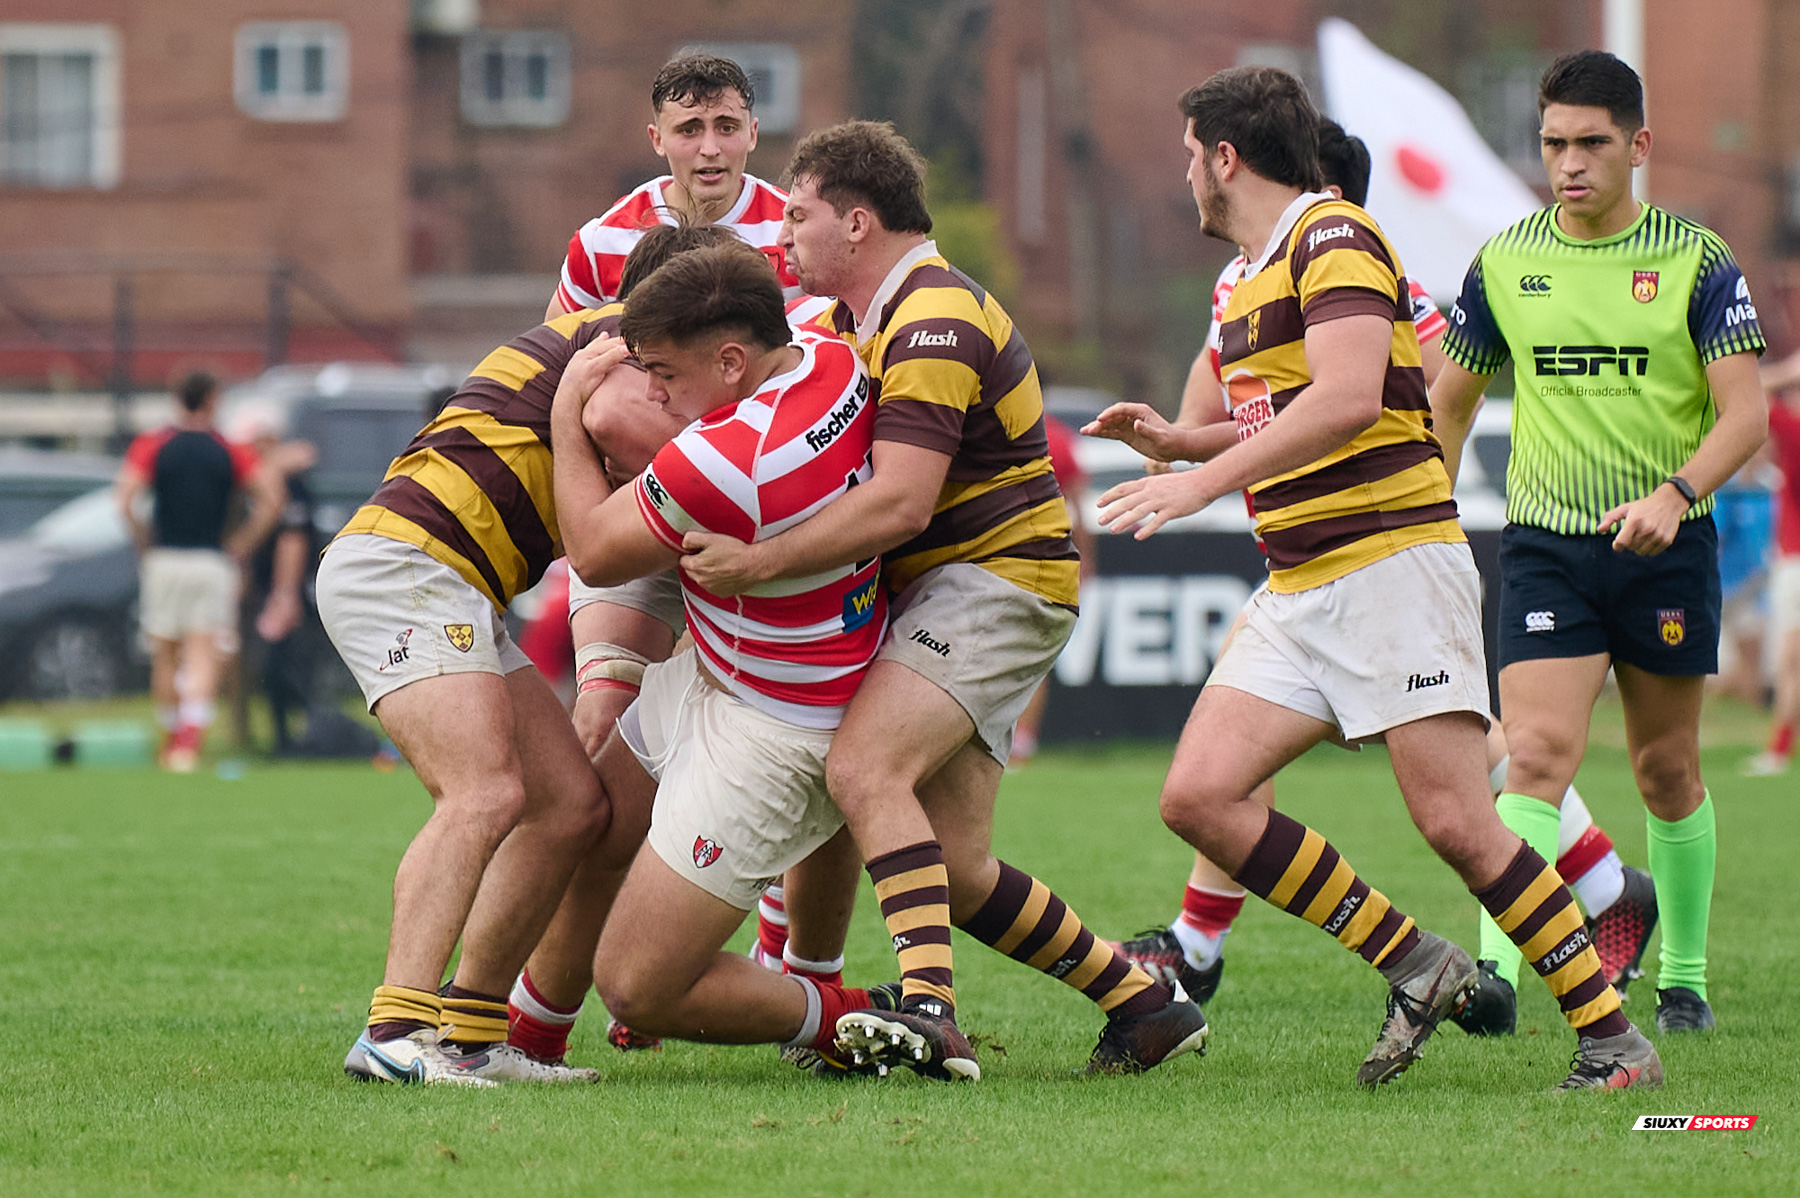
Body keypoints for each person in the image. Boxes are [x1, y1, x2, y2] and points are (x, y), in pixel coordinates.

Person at [1088, 66, 1656, 1089]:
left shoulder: (1332, 236)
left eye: (1188, 157)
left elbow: (1351, 398)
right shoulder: (1259, 267)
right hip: (1302, 581)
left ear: (1226, 157)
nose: (1186, 179)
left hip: (1392, 561)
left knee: (1454, 821)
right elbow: (1286, 410)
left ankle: (1612, 1034)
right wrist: (1183, 438)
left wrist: (1200, 481)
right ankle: (1416, 958)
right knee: (1201, 795)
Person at [681, 120, 1206, 1079]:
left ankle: (929, 1012)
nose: (784, 237)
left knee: (863, 770)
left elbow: (900, 501)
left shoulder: (933, 318)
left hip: (993, 582)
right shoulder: (857, 321)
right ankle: (1144, 1002)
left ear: (857, 221)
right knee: (956, 872)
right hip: (961, 591)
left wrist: (757, 562)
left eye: (797, 218)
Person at [321, 228, 717, 1087]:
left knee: (571, 804)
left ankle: (468, 1034)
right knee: (486, 791)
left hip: (449, 580)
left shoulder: (611, 343)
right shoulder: (619, 342)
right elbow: (613, 420)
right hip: (406, 566)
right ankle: (392, 1033)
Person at [1431, 50, 1767, 1036]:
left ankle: (1686, 980)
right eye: (1553, 144)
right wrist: (1425, 528)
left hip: (1668, 548)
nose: (1569, 163)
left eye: (1590, 144)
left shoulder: (1698, 260)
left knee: (1667, 768)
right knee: (1532, 752)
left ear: (1638, 145)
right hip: (1545, 546)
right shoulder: (1504, 261)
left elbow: (1742, 415)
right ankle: (1499, 972)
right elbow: (1447, 407)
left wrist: (1677, 492)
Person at [543, 241, 902, 1061]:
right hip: (737, 667)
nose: (657, 393)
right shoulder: (828, 356)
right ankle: (529, 1038)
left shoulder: (725, 459)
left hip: (770, 731)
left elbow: (595, 554)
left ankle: (851, 1014)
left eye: (666, 372)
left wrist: (569, 415)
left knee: (637, 984)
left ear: (732, 361)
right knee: (593, 820)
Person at [117, 372, 282, 772]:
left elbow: (125, 499)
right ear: (212, 400)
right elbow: (272, 500)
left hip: (164, 558)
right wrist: (242, 543)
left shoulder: (153, 444)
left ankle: (171, 739)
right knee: (204, 650)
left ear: (177, 399)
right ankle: (188, 747)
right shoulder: (229, 449)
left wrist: (143, 539)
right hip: (211, 561)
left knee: (165, 652)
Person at [1741, 350, 1800, 776]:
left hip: (1795, 561)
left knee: (1790, 659)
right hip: (1792, 559)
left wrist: (1786, 371)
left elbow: (1755, 387)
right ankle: (1779, 749)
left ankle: (1778, 750)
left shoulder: (1793, 431)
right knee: (1790, 659)